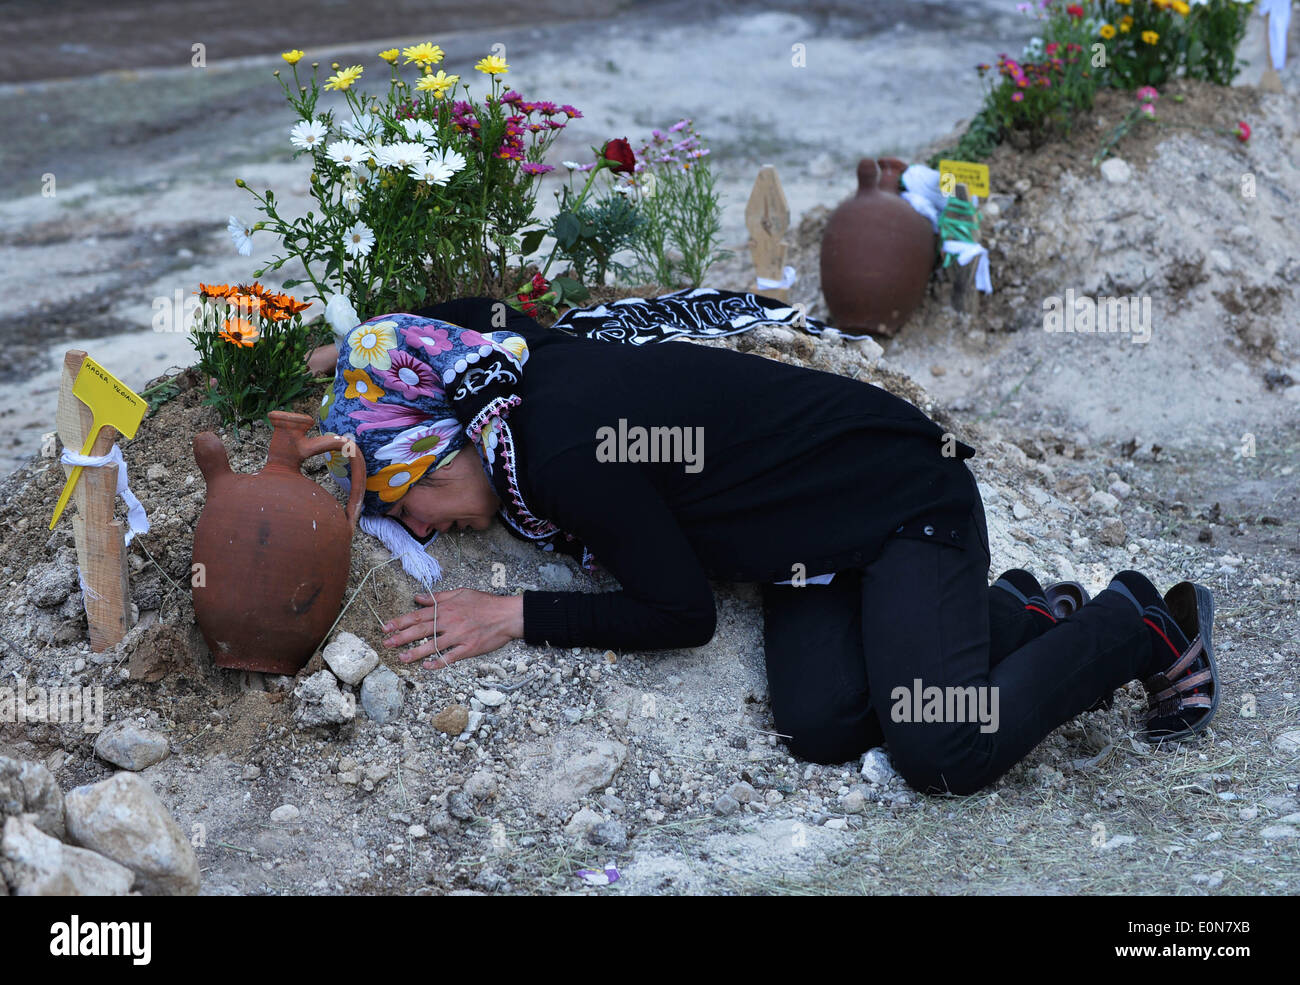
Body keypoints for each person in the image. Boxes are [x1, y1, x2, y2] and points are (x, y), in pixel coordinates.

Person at [312, 297, 1219, 795]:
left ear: (446, 445)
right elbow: (467, 314)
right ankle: (1018, 616)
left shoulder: (561, 458)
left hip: (904, 498)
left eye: (407, 499)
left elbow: (681, 611)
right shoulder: (510, 368)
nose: (422, 526)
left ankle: (1136, 623)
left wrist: (513, 613)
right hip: (810, 542)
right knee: (821, 724)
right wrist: (347, 347)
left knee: (941, 747)